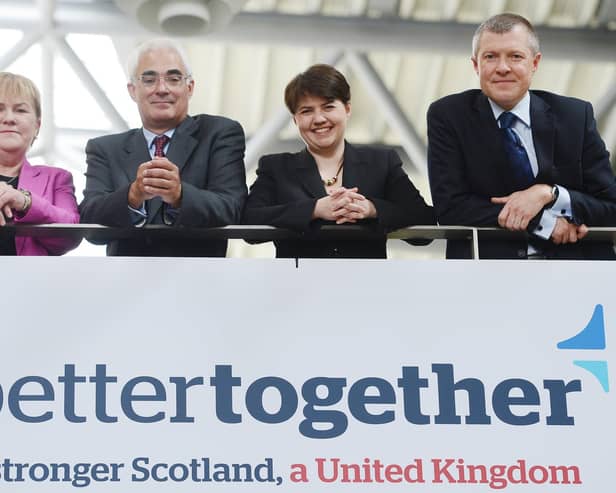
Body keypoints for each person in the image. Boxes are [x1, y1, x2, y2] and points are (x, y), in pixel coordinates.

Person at [427, 13, 616, 259]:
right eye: (490, 57)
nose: (503, 68)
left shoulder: (575, 116)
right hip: (489, 273)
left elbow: (610, 206)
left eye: (515, 56)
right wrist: (544, 224)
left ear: (535, 63)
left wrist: (550, 194)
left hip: (577, 272)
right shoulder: (449, 116)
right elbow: (451, 208)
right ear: (476, 65)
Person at [242, 64, 434, 258]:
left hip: (365, 284)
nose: (319, 119)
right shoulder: (276, 167)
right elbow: (249, 222)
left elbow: (425, 225)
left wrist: (372, 209)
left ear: (347, 109)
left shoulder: (381, 162)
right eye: (306, 111)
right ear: (295, 120)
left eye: (328, 107)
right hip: (298, 284)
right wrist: (314, 209)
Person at [79, 38, 247, 256]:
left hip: (199, 279)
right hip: (125, 282)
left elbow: (232, 209)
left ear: (190, 87)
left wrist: (180, 195)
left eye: (174, 78)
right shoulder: (104, 149)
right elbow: (90, 224)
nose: (161, 89)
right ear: (132, 90)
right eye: (149, 80)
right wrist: (132, 195)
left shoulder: (219, 134)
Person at [0, 72, 80, 256]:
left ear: (37, 125)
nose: (9, 118)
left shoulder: (57, 178)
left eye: (20, 110)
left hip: (29, 282)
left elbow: (71, 235)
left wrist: (25, 202)